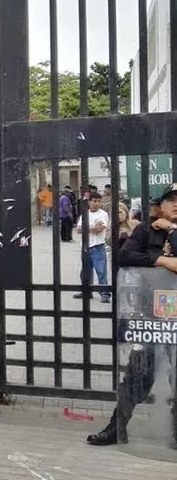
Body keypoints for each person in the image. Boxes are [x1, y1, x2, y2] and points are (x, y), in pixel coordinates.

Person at [87, 183, 177, 446]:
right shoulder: (146, 231)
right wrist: (163, 261)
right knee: (137, 376)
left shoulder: (169, 230)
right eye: (170, 199)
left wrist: (172, 230)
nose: (175, 204)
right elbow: (125, 256)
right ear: (160, 205)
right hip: (151, 319)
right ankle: (116, 428)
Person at [75, 194, 111, 303]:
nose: (97, 203)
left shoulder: (103, 214)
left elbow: (99, 229)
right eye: (94, 201)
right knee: (86, 271)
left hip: (97, 246)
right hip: (85, 246)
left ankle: (104, 293)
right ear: (89, 202)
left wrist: (87, 228)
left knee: (101, 271)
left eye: (99, 201)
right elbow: (78, 229)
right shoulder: (85, 214)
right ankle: (86, 291)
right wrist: (92, 228)